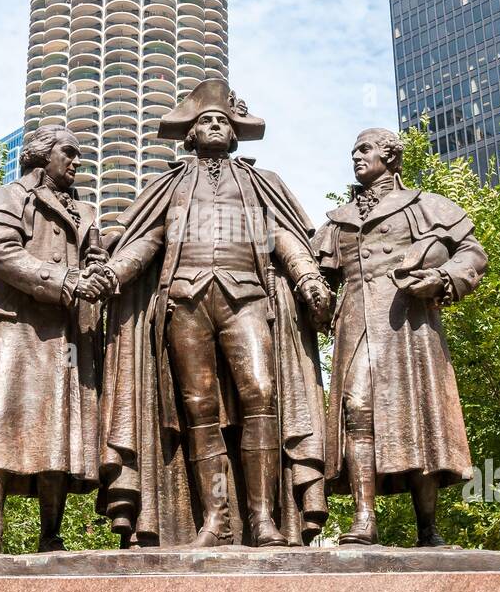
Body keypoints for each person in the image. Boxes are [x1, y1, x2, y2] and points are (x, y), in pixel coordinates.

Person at [97, 79, 333, 547]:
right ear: (191, 133)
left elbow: (283, 236)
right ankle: (215, 518)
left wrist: (307, 277)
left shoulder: (260, 183)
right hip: (185, 300)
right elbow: (147, 241)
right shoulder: (168, 185)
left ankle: (263, 517)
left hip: (247, 297)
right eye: (205, 120)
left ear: (234, 133)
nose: (214, 126)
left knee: (261, 397)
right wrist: (115, 273)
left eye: (222, 121)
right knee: (198, 410)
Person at [312, 128, 487, 546]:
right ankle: (364, 519)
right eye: (353, 149)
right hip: (355, 324)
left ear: (390, 156)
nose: (356, 155)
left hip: (407, 324)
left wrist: (443, 278)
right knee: (357, 409)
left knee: (419, 416)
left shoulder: (425, 206)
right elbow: (319, 276)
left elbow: (473, 254)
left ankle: (427, 529)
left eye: (365, 149)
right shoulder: (339, 220)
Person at [0, 127, 114, 554]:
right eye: (69, 153)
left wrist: (97, 276)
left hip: (68, 334)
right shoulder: (6, 197)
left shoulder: (86, 211)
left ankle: (51, 533)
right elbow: (2, 253)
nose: (76, 162)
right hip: (17, 325)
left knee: (58, 425)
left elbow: (96, 259)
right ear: (42, 156)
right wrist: (65, 280)